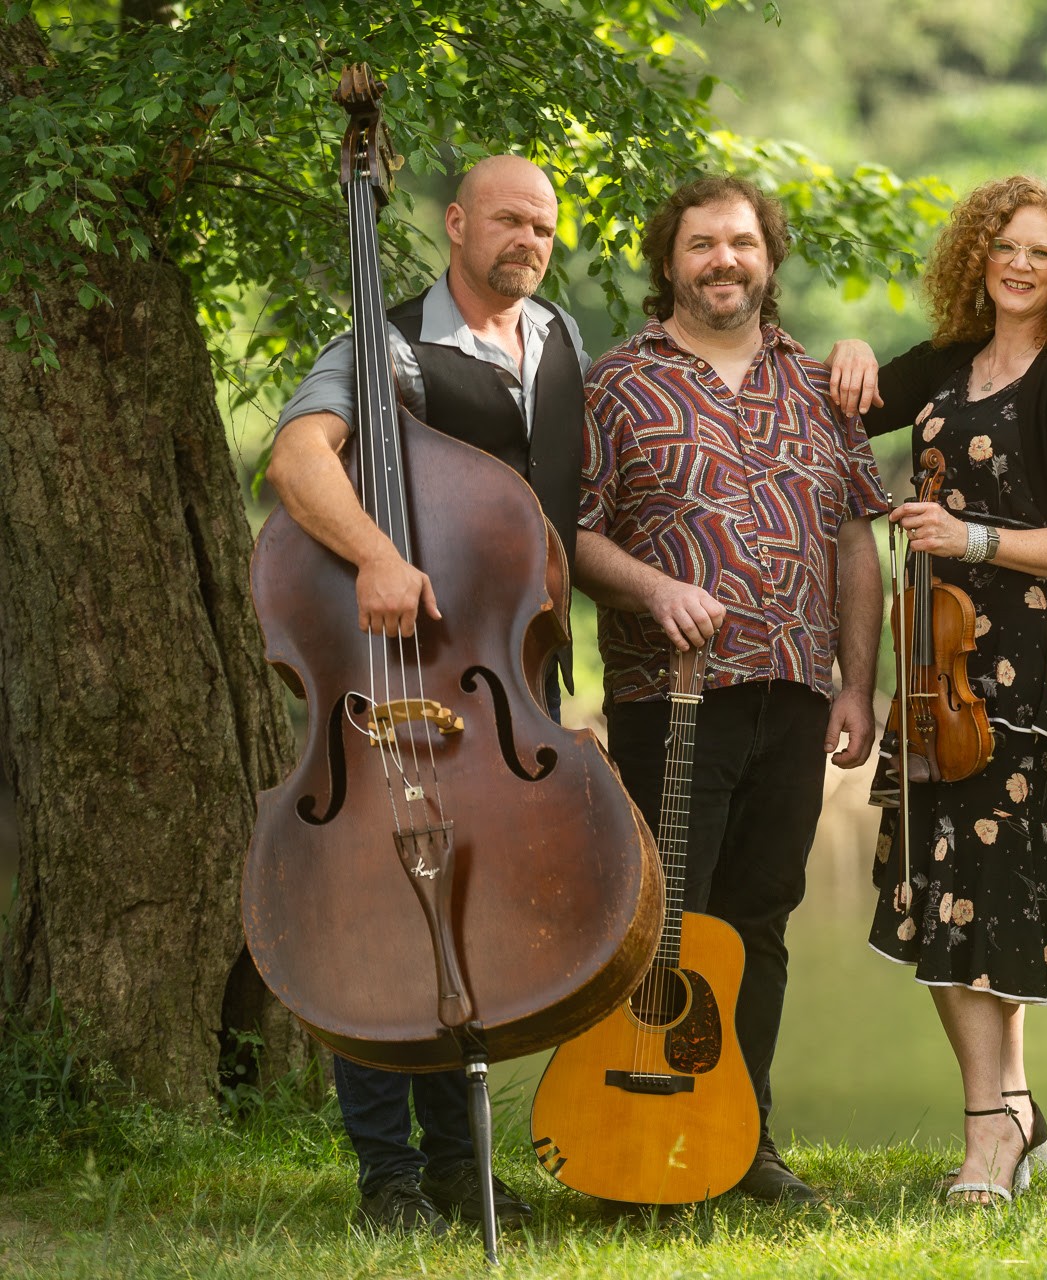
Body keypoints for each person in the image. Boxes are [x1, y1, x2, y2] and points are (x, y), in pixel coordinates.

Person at [267, 154, 580, 1235]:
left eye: (541, 224)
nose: (526, 241)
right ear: (454, 222)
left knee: (478, 912)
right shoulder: (387, 341)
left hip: (503, 687)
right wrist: (372, 555)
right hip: (388, 677)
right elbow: (301, 460)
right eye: (505, 219)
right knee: (374, 910)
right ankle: (387, 1179)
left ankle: (463, 1170)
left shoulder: (560, 341)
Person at [574, 174, 886, 1205]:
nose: (724, 260)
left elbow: (854, 538)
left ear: (768, 257)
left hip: (797, 691)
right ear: (669, 261)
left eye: (742, 242)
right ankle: (638, 1124)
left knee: (760, 919)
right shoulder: (616, 381)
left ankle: (743, 1138)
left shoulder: (821, 383)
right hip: (670, 696)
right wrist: (656, 586)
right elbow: (570, 535)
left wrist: (859, 685)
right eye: (702, 244)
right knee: (669, 920)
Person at [826, 174, 1047, 1206]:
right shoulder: (952, 360)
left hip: (1014, 669)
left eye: (1042, 250)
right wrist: (854, 354)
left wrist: (973, 536)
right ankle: (1018, 1102)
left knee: (983, 894)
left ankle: (987, 1129)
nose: (1020, 262)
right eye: (1006, 243)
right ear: (978, 255)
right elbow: (850, 410)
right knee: (940, 888)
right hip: (930, 666)